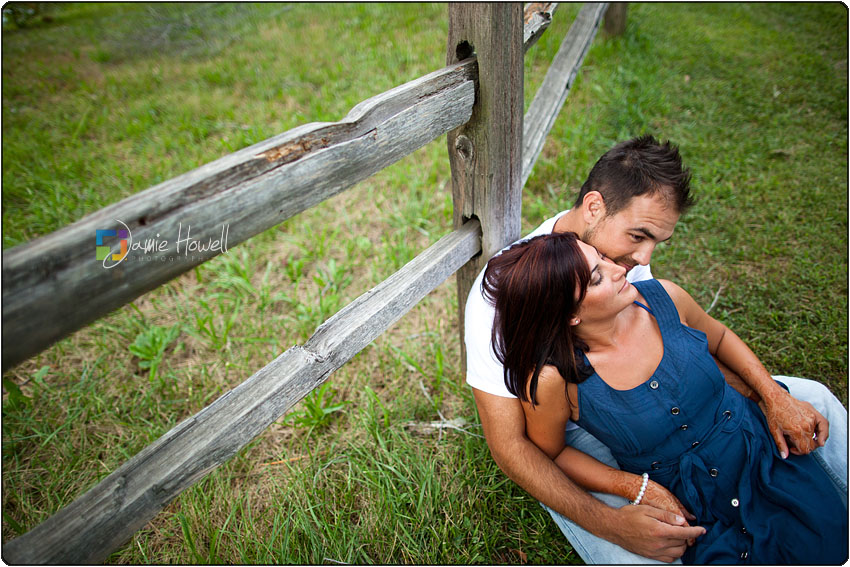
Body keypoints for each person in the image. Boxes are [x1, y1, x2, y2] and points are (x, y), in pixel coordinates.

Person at [464, 135, 848, 562]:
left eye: (655, 243)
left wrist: (770, 395)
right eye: (639, 236)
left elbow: (690, 343)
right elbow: (512, 447)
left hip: (670, 393)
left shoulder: (622, 267)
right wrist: (614, 519)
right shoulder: (497, 301)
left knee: (813, 403)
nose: (643, 257)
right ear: (594, 207)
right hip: (585, 432)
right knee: (646, 550)